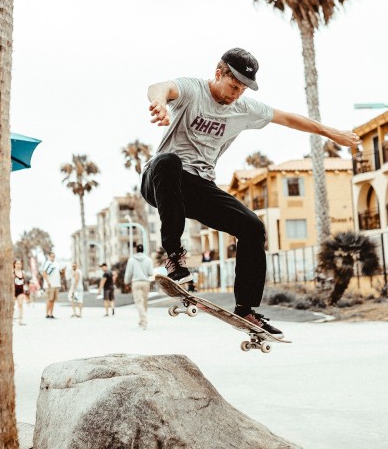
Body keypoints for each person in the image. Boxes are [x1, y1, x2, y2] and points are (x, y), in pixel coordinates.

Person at [141, 48, 360, 338]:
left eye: (242, 89)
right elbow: (161, 87)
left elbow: (290, 119)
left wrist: (333, 133)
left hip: (198, 186)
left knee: (253, 227)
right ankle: (175, 258)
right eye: (233, 86)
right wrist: (159, 101)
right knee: (169, 161)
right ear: (218, 73)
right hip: (159, 180)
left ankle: (246, 309)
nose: (236, 94)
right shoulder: (193, 90)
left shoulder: (243, 109)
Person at [124, 244, 155, 329]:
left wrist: (126, 282)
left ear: (136, 250)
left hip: (136, 283)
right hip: (146, 282)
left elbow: (128, 273)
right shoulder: (148, 260)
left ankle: (144, 321)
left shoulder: (131, 260)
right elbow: (151, 273)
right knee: (144, 302)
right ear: (143, 250)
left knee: (139, 302)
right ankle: (142, 320)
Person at [42, 252, 61, 319]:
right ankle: (47, 313)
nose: (53, 257)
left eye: (54, 256)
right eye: (51, 256)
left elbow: (59, 273)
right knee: (49, 299)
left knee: (53, 300)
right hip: (50, 285)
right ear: (49, 256)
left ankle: (51, 313)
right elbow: (44, 273)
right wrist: (48, 282)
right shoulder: (47, 263)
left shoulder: (56, 264)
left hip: (56, 284)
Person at [13, 259, 27, 325]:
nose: (19, 265)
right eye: (17, 264)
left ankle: (20, 320)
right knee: (12, 305)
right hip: (13, 291)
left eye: (20, 264)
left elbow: (24, 283)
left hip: (20, 291)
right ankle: (11, 319)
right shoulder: (12, 272)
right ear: (14, 264)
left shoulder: (23, 273)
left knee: (20, 305)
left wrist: (25, 292)